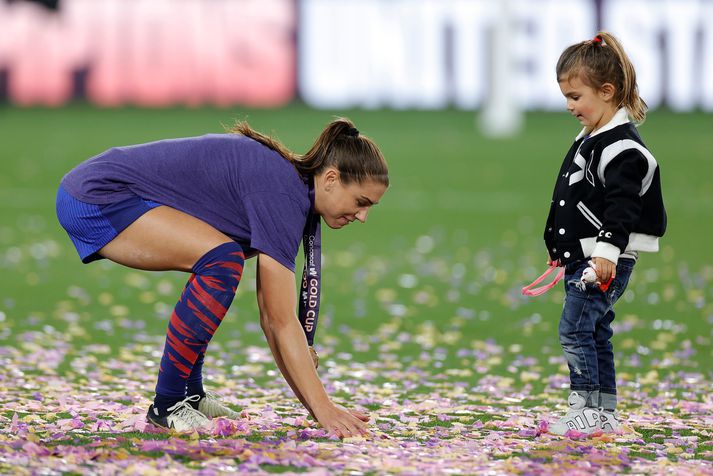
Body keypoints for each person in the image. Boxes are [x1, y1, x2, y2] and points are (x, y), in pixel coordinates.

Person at [56, 117, 389, 436]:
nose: (362, 216)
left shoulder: (291, 192)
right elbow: (279, 320)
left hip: (101, 191)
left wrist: (319, 410)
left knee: (220, 258)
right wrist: (325, 408)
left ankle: (189, 391)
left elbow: (273, 322)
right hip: (96, 197)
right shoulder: (282, 194)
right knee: (222, 260)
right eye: (361, 202)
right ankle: (167, 404)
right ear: (330, 179)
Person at [541, 31, 666, 435]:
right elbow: (577, 198)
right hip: (587, 255)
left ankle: (586, 408)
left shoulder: (622, 148)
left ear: (607, 91)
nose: (569, 106)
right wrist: (561, 247)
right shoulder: (594, 137)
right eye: (566, 96)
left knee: (575, 329)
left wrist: (606, 253)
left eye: (575, 96)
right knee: (594, 329)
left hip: (602, 259)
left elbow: (622, 207)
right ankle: (603, 414)